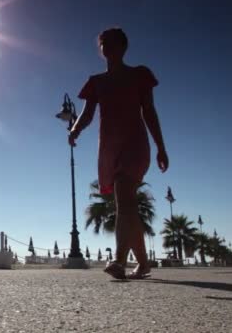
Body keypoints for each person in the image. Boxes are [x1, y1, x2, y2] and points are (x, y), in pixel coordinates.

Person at [69, 28, 169, 280]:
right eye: (103, 43)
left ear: (124, 47)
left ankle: (119, 260)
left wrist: (161, 147)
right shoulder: (96, 82)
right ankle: (144, 264)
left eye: (112, 43)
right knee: (126, 205)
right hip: (109, 149)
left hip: (135, 145)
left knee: (124, 197)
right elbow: (88, 113)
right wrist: (75, 129)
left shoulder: (140, 75)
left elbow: (149, 111)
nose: (107, 47)